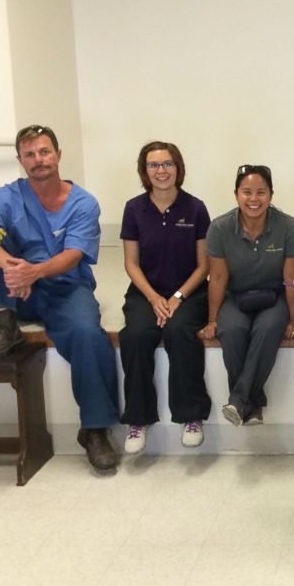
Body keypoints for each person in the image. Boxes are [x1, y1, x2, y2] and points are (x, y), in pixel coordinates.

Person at [0, 124, 119, 471]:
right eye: (29, 154)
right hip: (18, 287)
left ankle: (94, 430)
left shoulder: (82, 202)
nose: (38, 159)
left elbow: (74, 254)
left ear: (58, 155)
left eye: (44, 152)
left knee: (88, 335)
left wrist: (35, 271)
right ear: (20, 160)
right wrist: (12, 266)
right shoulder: (8, 196)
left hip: (65, 287)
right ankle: (5, 325)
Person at [118, 141, 211, 454]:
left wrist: (177, 297)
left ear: (178, 167)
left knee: (178, 331)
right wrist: (154, 298)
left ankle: (191, 416)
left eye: (167, 164)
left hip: (189, 293)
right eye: (154, 165)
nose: (161, 171)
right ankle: (138, 419)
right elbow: (131, 262)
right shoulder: (134, 208)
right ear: (145, 171)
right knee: (135, 335)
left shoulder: (195, 208)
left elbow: (204, 265)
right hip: (146, 292)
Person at [200, 165, 294, 426]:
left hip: (274, 297)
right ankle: (251, 402)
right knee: (231, 330)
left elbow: (292, 279)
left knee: (267, 329)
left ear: (271, 194)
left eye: (261, 192)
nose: (254, 199)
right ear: (236, 194)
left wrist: (293, 319)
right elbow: (219, 278)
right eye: (247, 192)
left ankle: (238, 401)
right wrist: (213, 319)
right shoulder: (220, 228)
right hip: (237, 296)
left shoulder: (288, 227)